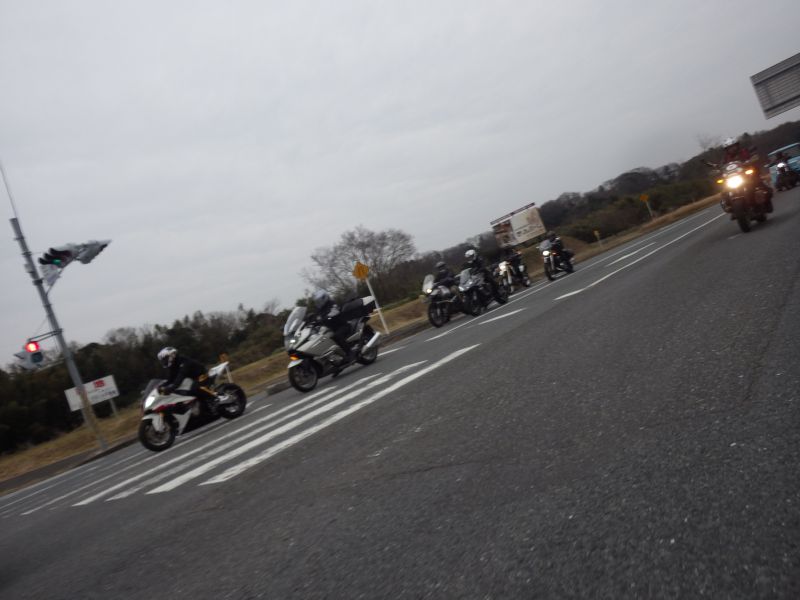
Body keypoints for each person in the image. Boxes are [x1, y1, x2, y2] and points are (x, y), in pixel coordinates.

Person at [157, 347, 217, 412]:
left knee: (195, 388)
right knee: (184, 391)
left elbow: (181, 376)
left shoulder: (183, 362)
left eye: (165, 359)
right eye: (163, 360)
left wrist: (172, 387)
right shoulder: (173, 366)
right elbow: (171, 379)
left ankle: (214, 399)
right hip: (193, 378)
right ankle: (199, 407)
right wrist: (160, 386)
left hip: (201, 374)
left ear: (172, 356)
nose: (164, 361)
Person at [720, 136, 773, 210]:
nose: (732, 149)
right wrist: (719, 170)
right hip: (734, 176)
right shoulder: (726, 158)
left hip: (747, 174)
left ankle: (766, 200)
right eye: (729, 148)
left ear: (737, 145)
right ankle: (729, 206)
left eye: (733, 146)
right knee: (724, 190)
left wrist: (751, 160)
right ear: (727, 150)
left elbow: (753, 157)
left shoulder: (744, 152)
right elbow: (722, 166)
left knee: (757, 182)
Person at [312, 289, 353, 360]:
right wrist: (313, 322)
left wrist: (328, 316)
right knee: (322, 339)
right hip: (331, 329)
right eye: (317, 301)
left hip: (342, 325)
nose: (318, 303)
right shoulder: (320, 309)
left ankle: (350, 353)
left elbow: (335, 311)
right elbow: (317, 317)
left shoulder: (332, 304)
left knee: (337, 336)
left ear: (324, 298)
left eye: (319, 301)